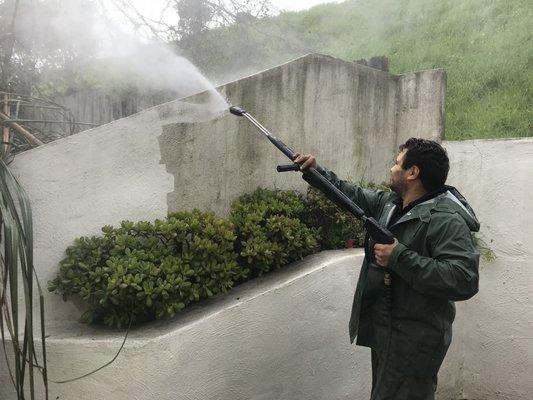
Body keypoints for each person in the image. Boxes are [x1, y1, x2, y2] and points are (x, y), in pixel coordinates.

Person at [293, 138, 480, 400]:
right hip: (386, 333)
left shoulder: (446, 220)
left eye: (396, 163)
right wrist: (315, 172)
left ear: (412, 173)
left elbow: (464, 279)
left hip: (414, 342)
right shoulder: (392, 204)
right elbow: (350, 194)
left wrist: (399, 257)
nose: (391, 168)